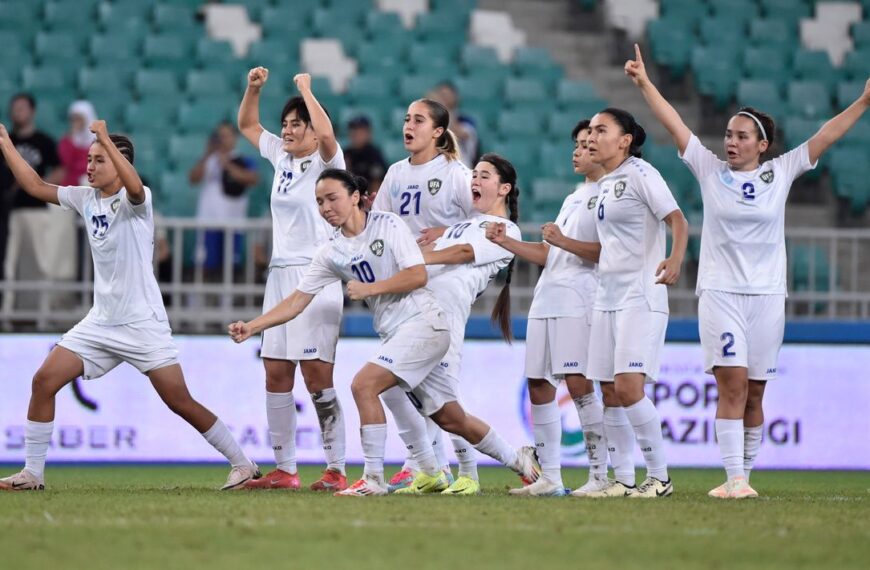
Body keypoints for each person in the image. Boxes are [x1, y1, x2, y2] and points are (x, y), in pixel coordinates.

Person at [625, 44, 870, 499]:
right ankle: (733, 477)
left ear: (762, 145)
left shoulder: (781, 172)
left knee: (756, 394)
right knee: (732, 384)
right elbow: (674, 123)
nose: (731, 142)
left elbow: (826, 136)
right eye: (728, 134)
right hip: (720, 293)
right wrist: (643, 83)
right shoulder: (708, 169)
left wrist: (863, 101)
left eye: (741, 136)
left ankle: (745, 478)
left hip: (769, 297)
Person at [228, 169, 541, 496]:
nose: (325, 207)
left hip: (425, 322)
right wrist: (253, 326)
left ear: (355, 197)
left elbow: (418, 275)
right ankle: (521, 464)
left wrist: (371, 288)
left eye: (332, 198)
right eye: (319, 201)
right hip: (400, 332)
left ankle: (374, 478)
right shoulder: (331, 251)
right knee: (451, 417)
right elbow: (296, 301)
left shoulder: (388, 225)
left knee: (364, 384)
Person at [0, 120, 259, 491]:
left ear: (120, 163)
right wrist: (6, 144)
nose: (89, 167)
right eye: (89, 159)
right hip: (100, 322)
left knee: (179, 400)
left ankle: (243, 463)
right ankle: (32, 474)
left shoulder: (138, 202)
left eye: (99, 160)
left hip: (142, 322)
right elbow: (36, 185)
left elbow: (134, 186)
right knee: (43, 381)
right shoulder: (85, 198)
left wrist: (106, 137)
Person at [486, 120, 612, 497]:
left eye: (586, 143)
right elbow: (548, 252)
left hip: (579, 298)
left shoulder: (612, 194)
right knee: (539, 384)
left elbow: (607, 252)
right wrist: (509, 242)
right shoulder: (576, 195)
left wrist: (564, 240)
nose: (578, 150)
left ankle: (600, 475)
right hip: (548, 297)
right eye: (576, 143)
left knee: (578, 384)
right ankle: (550, 477)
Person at [237, 67, 348, 491]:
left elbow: (328, 135)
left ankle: (336, 469)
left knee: (317, 376)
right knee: (276, 373)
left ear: (311, 131)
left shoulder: (327, 162)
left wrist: (304, 89)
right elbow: (247, 124)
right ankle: (285, 470)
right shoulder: (281, 158)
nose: (286, 130)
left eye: (295, 124)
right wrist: (254, 89)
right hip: (280, 274)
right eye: (284, 124)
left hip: (317, 273)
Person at [584, 106, 688, 499]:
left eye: (601, 130)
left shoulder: (643, 174)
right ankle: (623, 480)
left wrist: (675, 257)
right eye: (591, 130)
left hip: (640, 295)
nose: (592, 137)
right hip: (606, 296)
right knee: (608, 391)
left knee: (629, 388)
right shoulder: (605, 183)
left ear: (625, 140)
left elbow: (678, 219)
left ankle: (660, 477)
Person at [371, 98, 475, 492]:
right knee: (410, 379)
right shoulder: (396, 173)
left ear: (437, 131)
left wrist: (448, 234)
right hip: (407, 285)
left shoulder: (455, 174)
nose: (408, 125)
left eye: (418, 119)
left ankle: (433, 466)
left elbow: (487, 221)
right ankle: (429, 465)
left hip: (445, 285)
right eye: (405, 118)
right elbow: (378, 223)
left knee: (437, 379)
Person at [415, 153, 524, 495]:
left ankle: (505, 466)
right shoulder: (465, 223)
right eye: (474, 174)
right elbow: (450, 243)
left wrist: (420, 256)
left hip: (445, 315)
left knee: (443, 404)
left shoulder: (505, 230)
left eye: (485, 175)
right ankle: (435, 470)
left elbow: (463, 253)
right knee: (416, 396)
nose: (474, 180)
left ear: (504, 188)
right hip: (421, 310)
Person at [0, 93, 66, 311]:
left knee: (40, 262)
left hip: (36, 208)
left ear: (32, 111)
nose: (17, 112)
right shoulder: (7, 140)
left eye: (22, 107)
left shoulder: (43, 141)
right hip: (9, 210)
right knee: (7, 262)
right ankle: (6, 312)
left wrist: (38, 185)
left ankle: (42, 313)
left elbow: (60, 169)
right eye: (14, 107)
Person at [189, 121, 258, 275]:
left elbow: (252, 179)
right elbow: (193, 179)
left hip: (232, 224)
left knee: (229, 269)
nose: (222, 140)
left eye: (226, 136)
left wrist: (226, 164)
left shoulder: (243, 160)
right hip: (208, 224)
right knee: (205, 268)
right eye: (219, 136)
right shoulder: (209, 160)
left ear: (235, 138)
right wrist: (207, 155)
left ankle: (225, 300)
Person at [427, 82, 480, 169]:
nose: (444, 98)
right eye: (441, 95)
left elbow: (460, 134)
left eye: (447, 95)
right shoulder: (430, 123)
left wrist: (442, 107)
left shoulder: (466, 121)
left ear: (456, 97)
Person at [344, 115, 387, 196]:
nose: (355, 134)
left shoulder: (374, 155)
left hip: (367, 200)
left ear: (368, 133)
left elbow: (377, 185)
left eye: (360, 130)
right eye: (353, 130)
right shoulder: (346, 153)